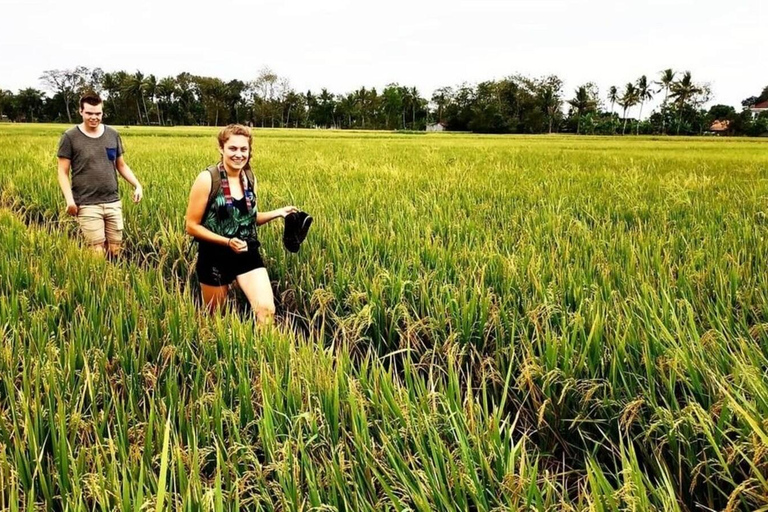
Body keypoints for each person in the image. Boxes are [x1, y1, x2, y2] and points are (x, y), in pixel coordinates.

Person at [185, 124, 297, 323]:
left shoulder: (250, 179)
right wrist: (227, 242)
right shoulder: (207, 179)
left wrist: (278, 213)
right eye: (233, 148)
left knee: (266, 310)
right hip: (214, 256)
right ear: (221, 149)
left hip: (247, 251)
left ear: (249, 151)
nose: (239, 154)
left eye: (243, 149)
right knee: (215, 320)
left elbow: (248, 219)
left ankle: (264, 351)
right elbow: (192, 226)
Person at [56, 93, 143, 257]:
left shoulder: (112, 134)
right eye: (89, 113)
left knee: (115, 250)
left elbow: (121, 165)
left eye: (98, 113)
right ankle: (99, 281)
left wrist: (137, 185)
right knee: (96, 252)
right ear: (81, 111)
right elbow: (62, 172)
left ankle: (113, 281)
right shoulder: (70, 137)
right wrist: (70, 200)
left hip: (113, 201)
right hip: (87, 203)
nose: (94, 117)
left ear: (102, 112)